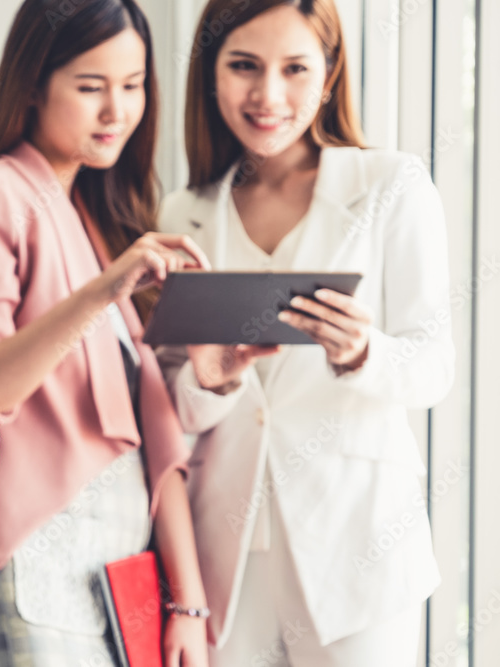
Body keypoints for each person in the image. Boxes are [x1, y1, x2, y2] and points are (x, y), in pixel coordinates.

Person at [158, 1, 455, 665]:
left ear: (328, 75)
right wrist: (212, 376)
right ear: (211, 75)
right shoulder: (185, 213)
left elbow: (434, 364)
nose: (268, 95)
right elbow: (172, 402)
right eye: (242, 66)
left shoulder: (390, 185)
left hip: (360, 542)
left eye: (294, 68)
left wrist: (362, 352)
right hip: (229, 544)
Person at [0, 0, 212, 664]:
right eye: (91, 87)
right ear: (31, 84)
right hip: (33, 546)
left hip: (121, 564)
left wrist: (188, 601)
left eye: (133, 85)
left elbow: (155, 440)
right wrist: (105, 291)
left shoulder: (99, 221)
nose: (118, 111)